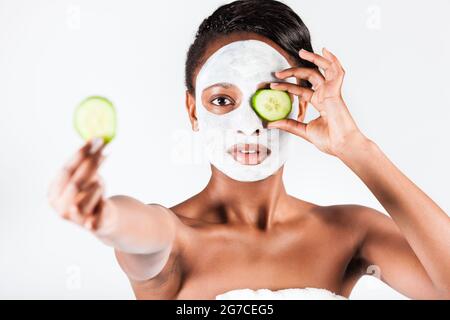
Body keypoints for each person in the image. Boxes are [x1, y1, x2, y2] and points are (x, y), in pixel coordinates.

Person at [47, 0, 450, 299]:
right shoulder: (174, 237)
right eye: (222, 100)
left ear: (301, 102)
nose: (249, 125)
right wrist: (103, 217)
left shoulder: (352, 232)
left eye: (269, 98)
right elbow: (138, 232)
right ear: (192, 109)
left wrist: (355, 148)